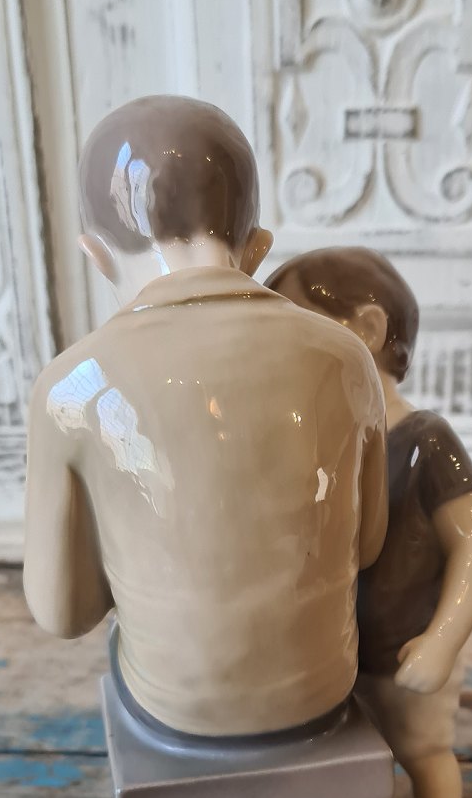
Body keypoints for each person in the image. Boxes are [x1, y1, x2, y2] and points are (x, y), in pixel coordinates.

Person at [24, 98, 388, 738]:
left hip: (177, 711)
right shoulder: (346, 359)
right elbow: (367, 546)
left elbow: (63, 613)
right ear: (258, 248)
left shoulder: (72, 388)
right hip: (323, 687)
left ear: (96, 254)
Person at [267, 247, 472, 798]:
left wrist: (443, 640)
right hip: (332, 651)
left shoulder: (424, 441)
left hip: (402, 646)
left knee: (423, 753)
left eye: (298, 328)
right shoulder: (322, 443)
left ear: (367, 329)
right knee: (341, 757)